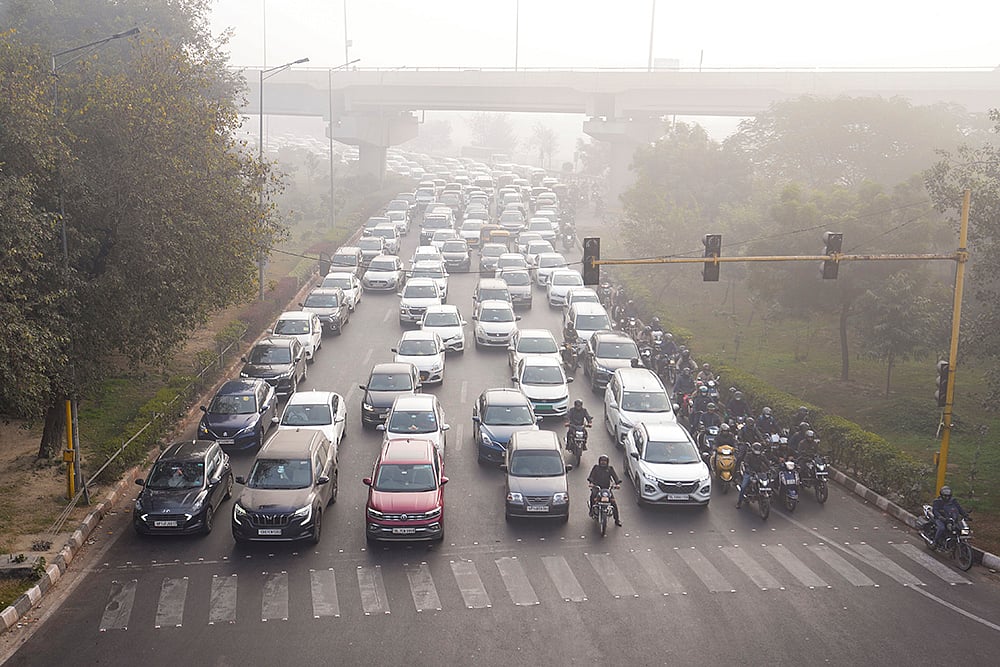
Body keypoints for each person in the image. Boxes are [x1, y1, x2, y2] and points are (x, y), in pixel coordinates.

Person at [587, 455, 622, 526]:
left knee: (613, 503)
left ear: (607, 462)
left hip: (606, 490)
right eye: (602, 461)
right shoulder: (596, 468)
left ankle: (617, 520)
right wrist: (591, 483)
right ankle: (591, 510)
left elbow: (615, 477)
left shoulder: (610, 469)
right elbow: (591, 476)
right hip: (597, 488)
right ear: (599, 461)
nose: (603, 462)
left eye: (605, 461)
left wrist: (617, 484)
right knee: (593, 497)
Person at [735, 442, 771, 509]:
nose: (757, 450)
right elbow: (746, 462)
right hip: (749, 472)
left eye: (758, 449)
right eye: (756, 449)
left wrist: (769, 468)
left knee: (767, 482)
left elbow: (767, 462)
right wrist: (748, 467)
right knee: (743, 486)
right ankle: (739, 502)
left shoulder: (762, 456)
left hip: (759, 472)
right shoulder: (749, 455)